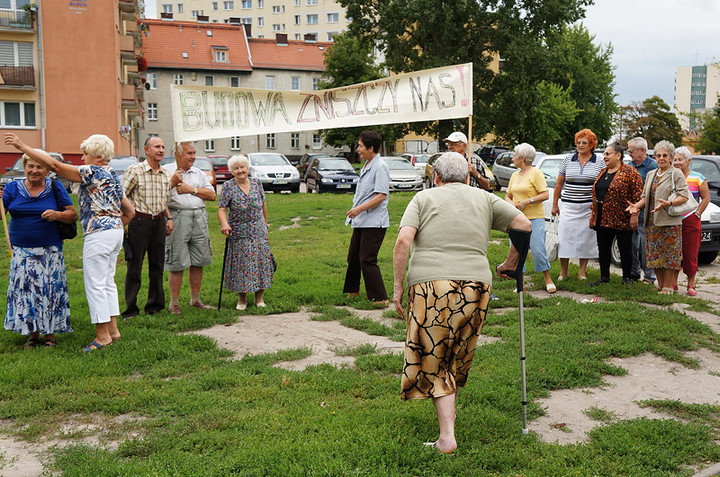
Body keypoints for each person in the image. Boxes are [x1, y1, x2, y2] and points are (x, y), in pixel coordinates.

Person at [393, 152, 530, 454]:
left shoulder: (423, 199)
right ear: (467, 177)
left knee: (436, 359)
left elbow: (403, 241)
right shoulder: (484, 198)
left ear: (437, 177)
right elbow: (522, 224)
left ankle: (447, 437)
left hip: (431, 286)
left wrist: (398, 287)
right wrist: (510, 263)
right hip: (477, 286)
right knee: (453, 356)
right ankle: (448, 425)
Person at [5, 133, 135, 352]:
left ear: (99, 156)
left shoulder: (92, 171)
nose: (82, 158)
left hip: (99, 234)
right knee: (107, 283)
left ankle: (102, 336)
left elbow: (55, 165)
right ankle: (114, 331)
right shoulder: (112, 174)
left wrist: (21, 146)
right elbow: (129, 211)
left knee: (95, 285)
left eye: (86, 153)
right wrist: (112, 226)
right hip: (115, 231)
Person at [1, 150, 77, 348]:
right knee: (26, 293)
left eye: (39, 166)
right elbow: (2, 213)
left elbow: (72, 215)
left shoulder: (54, 187)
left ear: (47, 170)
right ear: (24, 167)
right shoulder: (12, 188)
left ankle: (50, 334)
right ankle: (33, 334)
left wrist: (57, 215)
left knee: (49, 291)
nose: (34, 171)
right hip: (21, 251)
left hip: (49, 250)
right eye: (30, 166)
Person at [626, 140, 689, 294]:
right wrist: (636, 206)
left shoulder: (676, 173)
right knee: (655, 254)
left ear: (671, 158)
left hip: (669, 222)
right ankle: (660, 285)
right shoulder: (651, 174)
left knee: (669, 255)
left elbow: (684, 196)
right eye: (658, 155)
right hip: (651, 221)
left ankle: (668, 287)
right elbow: (644, 197)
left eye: (665, 155)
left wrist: (669, 203)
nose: (661, 158)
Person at [122, 137, 173, 318]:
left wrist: (169, 218)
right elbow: (121, 196)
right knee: (134, 267)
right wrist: (124, 222)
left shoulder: (166, 173)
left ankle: (155, 306)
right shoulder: (134, 171)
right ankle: (131, 309)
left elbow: (164, 200)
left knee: (157, 266)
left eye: (163, 147)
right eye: (157, 147)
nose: (161, 150)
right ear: (146, 150)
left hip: (158, 223)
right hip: (139, 222)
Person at [164, 142, 217, 314]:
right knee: (177, 261)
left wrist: (191, 189)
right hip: (178, 216)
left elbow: (212, 195)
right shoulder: (167, 171)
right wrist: (172, 183)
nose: (193, 156)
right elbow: (158, 197)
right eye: (189, 153)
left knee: (198, 260)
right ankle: (174, 303)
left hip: (199, 216)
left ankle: (195, 300)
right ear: (178, 154)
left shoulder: (199, 173)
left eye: (194, 152)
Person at [217, 155, 274, 310]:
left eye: (242, 167)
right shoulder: (228, 186)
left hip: (258, 231)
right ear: (232, 171)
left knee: (261, 264)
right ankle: (242, 299)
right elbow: (222, 208)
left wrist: (265, 224)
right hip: (238, 231)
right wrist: (224, 224)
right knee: (241, 266)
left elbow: (263, 205)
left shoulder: (257, 183)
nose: (240, 170)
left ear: (247, 168)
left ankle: (259, 298)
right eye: (236, 168)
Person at [343, 130, 390, 305]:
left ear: (371, 148)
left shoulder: (380, 167)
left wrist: (358, 209)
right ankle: (353, 290)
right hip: (362, 220)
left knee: (367, 259)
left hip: (374, 222)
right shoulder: (367, 165)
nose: (358, 149)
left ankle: (380, 298)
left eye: (361, 146)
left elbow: (381, 195)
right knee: (353, 257)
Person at [551, 128, 604, 280]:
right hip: (568, 205)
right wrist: (555, 203)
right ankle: (564, 271)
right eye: (578, 143)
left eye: (584, 143)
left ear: (591, 145)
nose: (580, 145)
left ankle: (582, 272)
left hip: (588, 207)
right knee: (564, 237)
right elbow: (559, 183)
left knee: (585, 239)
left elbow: (600, 184)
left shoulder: (598, 161)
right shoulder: (568, 159)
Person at [588, 143, 643, 286]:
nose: (605, 157)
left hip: (621, 217)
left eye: (608, 154)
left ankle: (626, 277)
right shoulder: (603, 172)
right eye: (604, 154)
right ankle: (604, 276)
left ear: (618, 155)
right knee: (603, 247)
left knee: (625, 247)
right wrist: (593, 213)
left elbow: (638, 196)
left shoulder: (630, 173)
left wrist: (634, 214)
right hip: (602, 216)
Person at [505, 143, 556, 293]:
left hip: (534, 217)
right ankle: (521, 284)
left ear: (522, 158)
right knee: (517, 251)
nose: (513, 158)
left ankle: (548, 279)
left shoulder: (536, 173)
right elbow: (508, 195)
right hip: (516, 219)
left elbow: (545, 194)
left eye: (515, 155)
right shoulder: (514, 175)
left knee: (538, 249)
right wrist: (512, 204)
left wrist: (527, 201)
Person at [673, 146, 711, 296]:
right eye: (674, 159)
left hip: (691, 220)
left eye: (680, 159)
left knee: (690, 254)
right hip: (674, 220)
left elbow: (706, 198)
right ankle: (673, 283)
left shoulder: (698, 177)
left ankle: (691, 284)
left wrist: (697, 213)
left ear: (689, 161)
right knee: (673, 253)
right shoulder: (671, 177)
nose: (676, 162)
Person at [627, 137, 658, 284]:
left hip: (647, 212)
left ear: (642, 150)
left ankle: (649, 276)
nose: (629, 153)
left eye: (631, 151)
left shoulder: (653, 167)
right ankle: (634, 272)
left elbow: (653, 192)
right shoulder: (629, 166)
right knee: (632, 243)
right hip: (631, 210)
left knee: (646, 245)